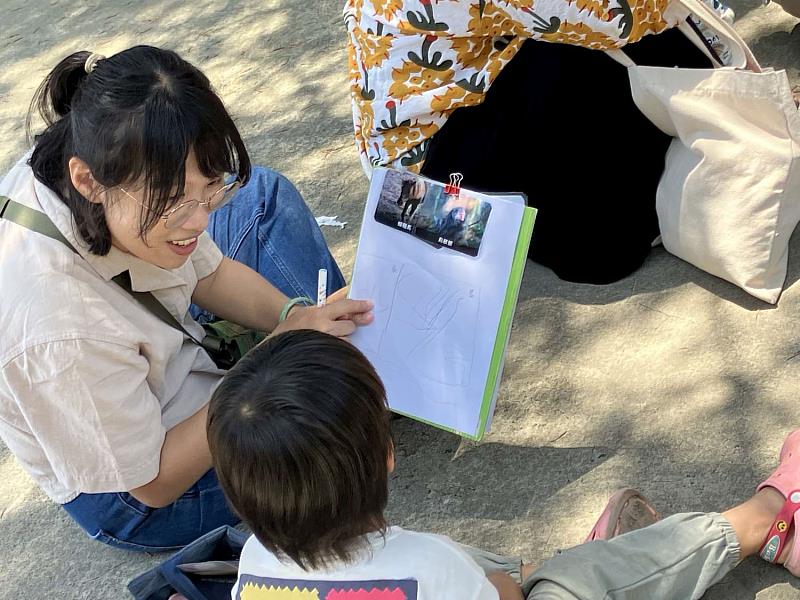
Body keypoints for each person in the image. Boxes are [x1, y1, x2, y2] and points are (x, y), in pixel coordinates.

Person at [0, 46, 373, 552]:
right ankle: (344, 375)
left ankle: (330, 352)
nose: (200, 220)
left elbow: (209, 272)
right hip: (145, 489)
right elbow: (153, 483)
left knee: (261, 196)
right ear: (87, 180)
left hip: (166, 362)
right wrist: (275, 356)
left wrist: (296, 315)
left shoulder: (97, 160)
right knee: (339, 441)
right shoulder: (58, 327)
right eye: (173, 199)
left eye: (212, 184)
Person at [209, 329, 800, 599]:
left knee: (458, 556)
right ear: (388, 455)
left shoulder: (255, 561)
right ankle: (764, 518)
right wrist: (506, 584)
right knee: (572, 582)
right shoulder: (429, 567)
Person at [344, 0, 741, 284]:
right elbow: (619, 17)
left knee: (567, 41)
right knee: (593, 44)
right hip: (434, 199)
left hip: (411, 178)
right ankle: (603, 226)